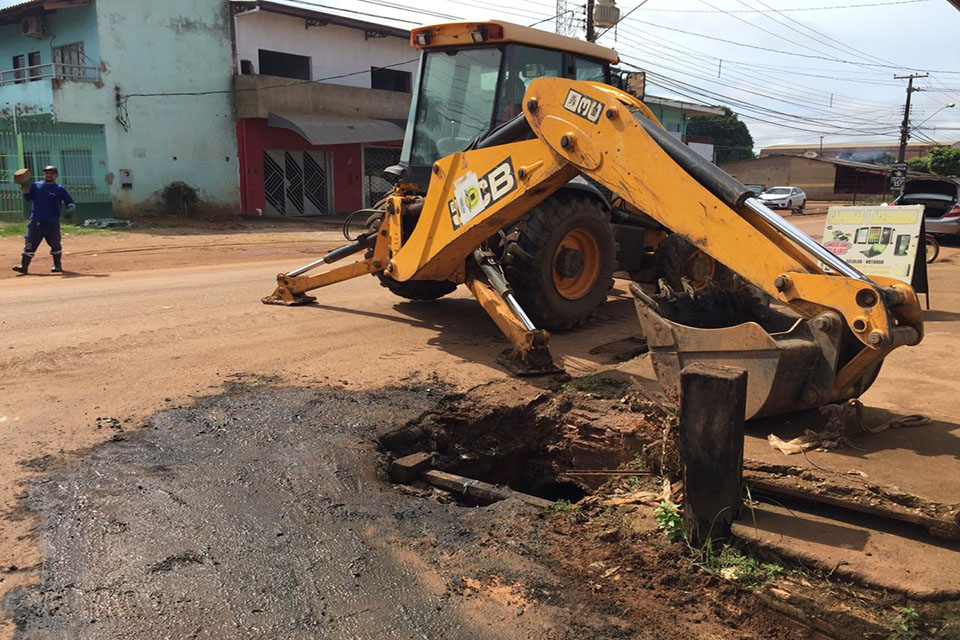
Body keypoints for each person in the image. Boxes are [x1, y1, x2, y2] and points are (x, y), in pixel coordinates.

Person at [12, 165, 76, 275]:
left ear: (56, 176)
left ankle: (57, 265)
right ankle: (24, 266)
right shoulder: (36, 186)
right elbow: (28, 198)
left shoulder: (59, 189)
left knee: (55, 244)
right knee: (29, 244)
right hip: (35, 222)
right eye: (47, 173)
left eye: (52, 173)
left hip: (52, 222)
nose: (49, 175)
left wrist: (71, 209)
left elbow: (69, 201)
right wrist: (25, 190)